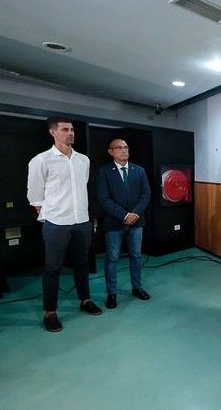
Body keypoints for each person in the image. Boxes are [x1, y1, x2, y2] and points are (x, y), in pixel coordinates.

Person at [27, 116, 102, 332]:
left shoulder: (83, 160)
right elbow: (35, 195)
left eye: (72, 129)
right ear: (53, 132)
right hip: (56, 223)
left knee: (82, 263)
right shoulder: (41, 160)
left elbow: (82, 186)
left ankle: (85, 300)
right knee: (52, 268)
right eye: (65, 129)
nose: (71, 133)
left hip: (82, 222)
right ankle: (50, 312)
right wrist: (50, 212)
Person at [96, 139, 151, 309]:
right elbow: (103, 198)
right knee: (112, 258)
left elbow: (146, 194)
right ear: (111, 151)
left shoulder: (139, 170)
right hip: (114, 223)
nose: (124, 150)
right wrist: (124, 215)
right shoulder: (104, 172)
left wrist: (134, 214)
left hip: (136, 222)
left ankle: (137, 287)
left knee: (136, 255)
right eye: (119, 148)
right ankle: (111, 293)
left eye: (126, 147)